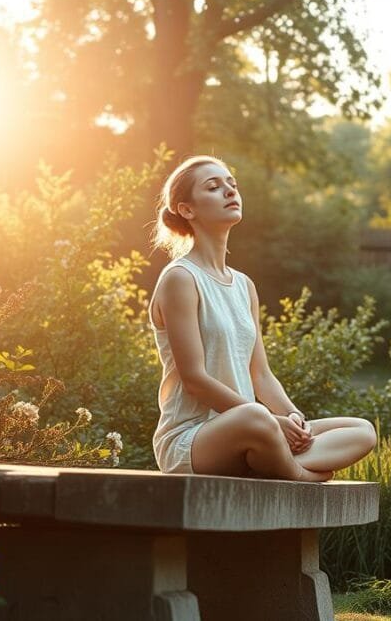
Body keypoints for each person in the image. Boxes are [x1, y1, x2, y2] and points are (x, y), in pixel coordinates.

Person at [147, 155, 377, 482]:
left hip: (255, 430)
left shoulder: (243, 285)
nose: (229, 191)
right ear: (187, 210)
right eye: (214, 187)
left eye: (232, 185)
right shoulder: (180, 279)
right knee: (256, 417)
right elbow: (194, 379)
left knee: (360, 430)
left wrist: (292, 418)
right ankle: (297, 475)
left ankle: (270, 461)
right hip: (192, 440)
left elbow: (261, 375)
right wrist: (269, 421)